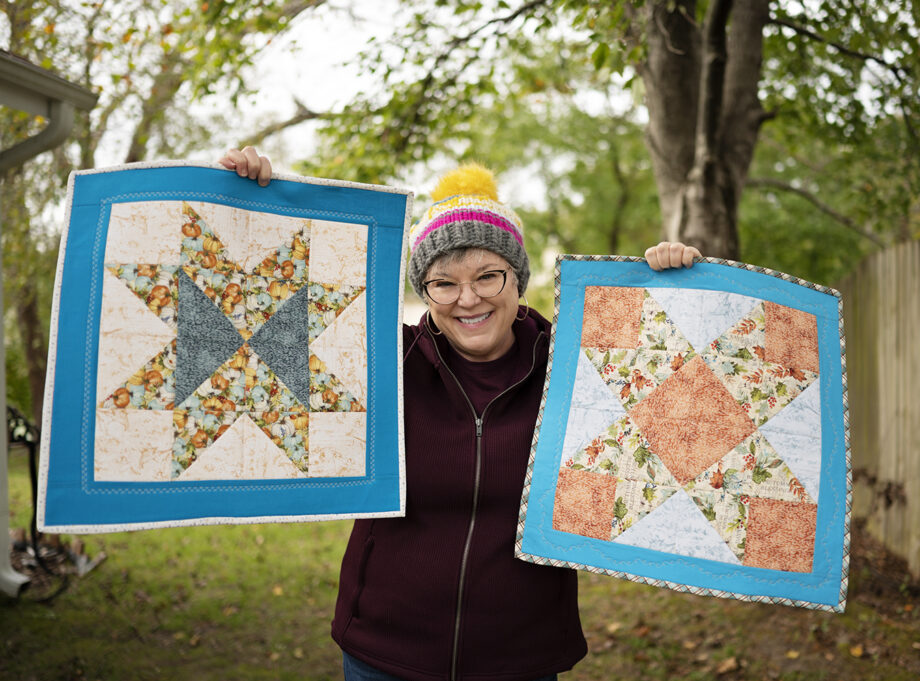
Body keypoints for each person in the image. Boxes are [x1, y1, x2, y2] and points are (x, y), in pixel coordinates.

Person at [219, 147, 701, 681]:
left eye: (488, 276)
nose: (467, 299)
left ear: (518, 278)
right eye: (443, 282)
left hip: (521, 659)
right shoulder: (379, 361)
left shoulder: (579, 372)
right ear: (424, 293)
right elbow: (264, 325)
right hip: (384, 654)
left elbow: (687, 409)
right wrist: (248, 209)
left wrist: (681, 291)